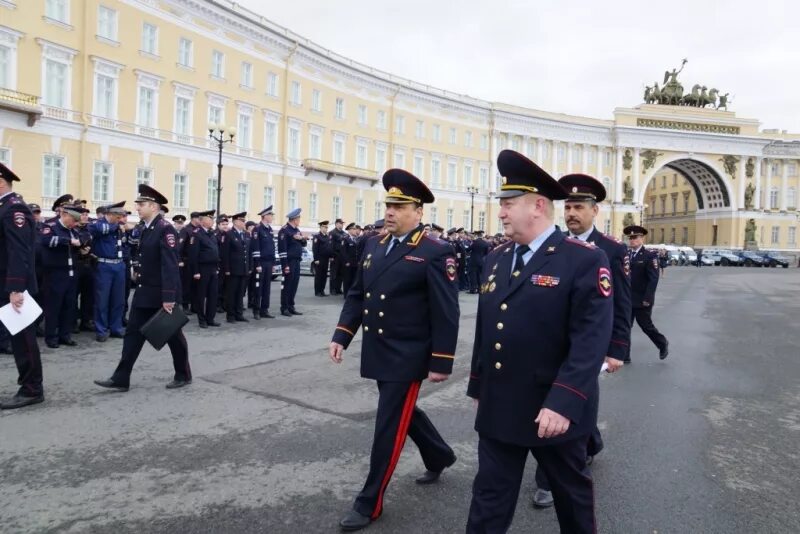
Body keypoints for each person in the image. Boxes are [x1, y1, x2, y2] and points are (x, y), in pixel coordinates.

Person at [466, 150, 613, 534]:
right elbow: (488, 327)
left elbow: (590, 340)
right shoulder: (496, 258)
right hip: (501, 404)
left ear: (538, 206)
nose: (500, 213)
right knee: (489, 498)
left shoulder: (583, 259)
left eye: (508, 204)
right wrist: (479, 385)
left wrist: (563, 402)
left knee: (571, 498)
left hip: (555, 410)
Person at [329, 169, 459, 532]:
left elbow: (446, 311)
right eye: (388, 204)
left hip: (409, 354)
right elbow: (358, 294)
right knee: (402, 411)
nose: (390, 211)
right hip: (379, 349)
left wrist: (441, 360)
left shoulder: (435, 251)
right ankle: (440, 453)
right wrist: (342, 334)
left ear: (418, 211)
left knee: (388, 424)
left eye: (399, 206)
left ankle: (369, 502)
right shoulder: (374, 244)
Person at [527, 173, 633, 508]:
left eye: (579, 207)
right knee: (569, 405)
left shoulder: (612, 250)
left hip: (589, 346)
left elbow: (621, 301)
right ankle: (591, 442)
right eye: (568, 206)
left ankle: (548, 480)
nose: (572, 213)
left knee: (578, 400)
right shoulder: (552, 245)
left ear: (594, 211)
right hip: (551, 343)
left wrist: (617, 349)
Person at [94, 184, 191, 391]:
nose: (137, 208)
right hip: (144, 292)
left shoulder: (166, 230)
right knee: (132, 334)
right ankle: (121, 377)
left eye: (142, 204)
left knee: (173, 336)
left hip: (161, 294)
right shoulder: (146, 229)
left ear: (154, 207)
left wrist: (169, 298)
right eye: (138, 204)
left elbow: (170, 266)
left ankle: (183, 374)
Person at [0, 163, 45, 410]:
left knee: (23, 338)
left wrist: (16, 288)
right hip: (6, 283)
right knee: (17, 336)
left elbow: (19, 252)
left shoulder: (14, 208)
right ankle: (29, 384)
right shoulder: (5, 207)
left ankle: (31, 388)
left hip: (13, 286)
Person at [39, 203, 88, 349]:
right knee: (54, 306)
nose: (75, 223)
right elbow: (46, 241)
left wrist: (81, 246)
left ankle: (65, 335)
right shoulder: (51, 226)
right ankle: (51, 337)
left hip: (71, 272)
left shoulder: (72, 230)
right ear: (64, 215)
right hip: (55, 273)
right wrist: (68, 241)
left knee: (69, 305)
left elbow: (80, 240)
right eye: (73, 220)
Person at [624, 225, 669, 361]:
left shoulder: (650, 256)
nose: (632, 240)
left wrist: (648, 298)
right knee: (625, 327)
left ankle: (662, 343)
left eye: (635, 237)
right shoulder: (626, 255)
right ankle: (625, 355)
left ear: (642, 238)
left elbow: (653, 280)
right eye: (630, 238)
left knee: (646, 326)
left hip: (642, 299)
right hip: (627, 298)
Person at [89, 201, 128, 342]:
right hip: (104, 266)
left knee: (118, 299)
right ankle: (101, 329)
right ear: (110, 214)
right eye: (118, 216)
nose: (120, 219)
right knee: (102, 300)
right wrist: (118, 226)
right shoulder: (97, 224)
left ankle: (116, 327)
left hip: (119, 265)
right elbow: (101, 230)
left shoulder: (118, 227)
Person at [188, 210, 221, 328]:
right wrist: (196, 271)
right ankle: (201, 319)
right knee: (201, 295)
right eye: (210, 219)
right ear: (203, 221)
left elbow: (216, 251)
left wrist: (217, 267)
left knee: (213, 294)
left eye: (212, 219)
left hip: (213, 268)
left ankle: (210, 318)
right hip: (202, 268)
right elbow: (193, 255)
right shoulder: (196, 234)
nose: (212, 221)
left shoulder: (211, 233)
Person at [221, 212, 251, 322]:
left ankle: (239, 314)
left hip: (243, 269)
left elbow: (248, 253)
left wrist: (249, 267)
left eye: (244, 221)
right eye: (242, 221)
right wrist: (227, 269)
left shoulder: (246, 234)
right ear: (235, 222)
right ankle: (231, 315)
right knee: (231, 293)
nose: (244, 223)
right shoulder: (229, 234)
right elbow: (225, 254)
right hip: (233, 270)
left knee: (240, 293)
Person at [277, 208, 306, 316]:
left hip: (297, 261)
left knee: (294, 285)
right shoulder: (284, 230)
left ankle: (291, 306)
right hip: (289, 261)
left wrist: (302, 238)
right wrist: (285, 265)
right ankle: (284, 307)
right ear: (294, 219)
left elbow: (303, 244)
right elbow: (282, 250)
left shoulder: (297, 230)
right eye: (299, 218)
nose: (300, 220)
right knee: (287, 285)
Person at [251, 206, 276, 319]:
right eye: (270, 215)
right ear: (265, 216)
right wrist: (257, 264)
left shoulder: (269, 229)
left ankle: (264, 309)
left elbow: (272, 247)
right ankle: (256, 310)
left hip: (269, 262)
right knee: (258, 287)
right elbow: (255, 248)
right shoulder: (257, 229)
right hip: (261, 263)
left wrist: (273, 264)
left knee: (267, 287)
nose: (272, 217)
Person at [177, 212, 200, 314]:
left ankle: (194, 306)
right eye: (199, 219)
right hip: (186, 261)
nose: (200, 221)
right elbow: (179, 246)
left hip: (196, 261)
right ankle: (185, 305)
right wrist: (180, 260)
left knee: (196, 285)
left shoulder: (199, 230)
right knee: (187, 284)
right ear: (194, 219)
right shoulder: (186, 230)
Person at [312, 220, 333, 296]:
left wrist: (330, 256)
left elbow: (329, 248)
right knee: (319, 276)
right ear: (321, 227)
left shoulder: (327, 236)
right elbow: (315, 249)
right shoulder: (317, 236)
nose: (326, 229)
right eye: (324, 227)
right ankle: (317, 291)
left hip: (326, 259)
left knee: (324, 275)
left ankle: (322, 290)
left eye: (327, 227)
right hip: (319, 259)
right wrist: (316, 259)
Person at [341, 222, 360, 295]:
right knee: (347, 279)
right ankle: (346, 294)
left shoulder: (355, 239)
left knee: (353, 280)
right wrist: (346, 262)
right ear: (349, 230)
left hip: (354, 263)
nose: (355, 230)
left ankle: (351, 294)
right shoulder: (345, 239)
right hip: (348, 263)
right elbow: (343, 252)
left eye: (355, 229)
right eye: (354, 229)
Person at [329, 218, 347, 295]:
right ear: (336, 224)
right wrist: (331, 256)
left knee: (341, 274)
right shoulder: (332, 233)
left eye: (342, 223)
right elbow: (330, 245)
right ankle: (332, 289)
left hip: (341, 256)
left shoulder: (344, 233)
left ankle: (338, 289)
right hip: (335, 255)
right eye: (340, 223)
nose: (341, 225)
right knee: (334, 273)